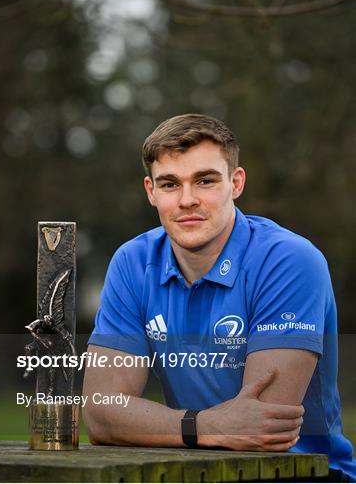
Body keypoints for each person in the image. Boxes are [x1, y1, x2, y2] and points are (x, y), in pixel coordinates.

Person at [83, 113, 356, 481]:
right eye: (169, 185)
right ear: (150, 191)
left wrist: (162, 425)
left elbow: (260, 428)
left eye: (205, 181)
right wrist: (203, 426)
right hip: (201, 468)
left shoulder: (289, 259)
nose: (187, 200)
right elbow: (101, 414)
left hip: (303, 474)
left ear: (236, 182)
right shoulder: (132, 262)